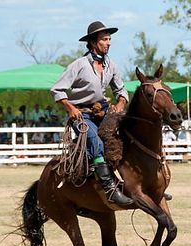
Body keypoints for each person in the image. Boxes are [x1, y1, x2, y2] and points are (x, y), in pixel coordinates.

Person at [50, 21, 133, 207]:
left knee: (127, 134)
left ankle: (144, 184)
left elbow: (122, 91)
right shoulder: (78, 65)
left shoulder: (111, 65)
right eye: (104, 39)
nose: (109, 42)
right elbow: (57, 89)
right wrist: (71, 108)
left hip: (103, 113)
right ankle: (110, 189)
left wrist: (120, 103)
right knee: (94, 139)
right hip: (82, 115)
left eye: (110, 39)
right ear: (93, 43)